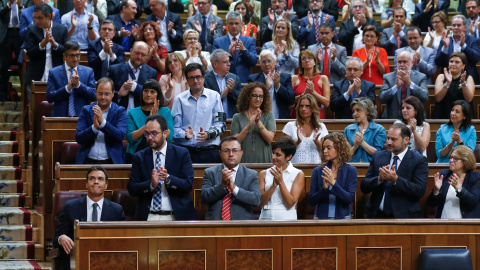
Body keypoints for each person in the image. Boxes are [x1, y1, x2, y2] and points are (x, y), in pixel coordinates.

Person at [53, 166, 126, 270]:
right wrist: (61, 238)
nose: (96, 182)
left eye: (100, 179)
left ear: (106, 185)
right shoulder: (70, 207)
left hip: (106, 260)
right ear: (86, 184)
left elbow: (123, 241)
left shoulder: (117, 210)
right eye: (92, 178)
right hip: (77, 260)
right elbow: (56, 239)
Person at [128, 114, 197, 221]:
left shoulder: (181, 153)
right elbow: (132, 188)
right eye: (147, 134)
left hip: (176, 216)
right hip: (148, 216)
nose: (150, 137)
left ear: (165, 134)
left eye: (154, 133)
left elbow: (188, 185)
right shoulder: (139, 157)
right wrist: (151, 185)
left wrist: (169, 179)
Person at [361, 123, 429, 218]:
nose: (388, 142)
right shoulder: (378, 156)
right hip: (377, 216)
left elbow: (419, 190)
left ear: (406, 140)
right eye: (388, 138)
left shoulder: (419, 160)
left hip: (405, 217)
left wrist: (396, 180)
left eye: (393, 139)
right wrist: (379, 179)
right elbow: (364, 186)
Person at [172, 63, 226, 163]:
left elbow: (221, 125)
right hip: (185, 150)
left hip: (210, 151)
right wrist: (184, 134)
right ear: (187, 80)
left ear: (203, 77)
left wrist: (208, 134)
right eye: (191, 78)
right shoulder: (179, 99)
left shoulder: (215, 96)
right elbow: (174, 128)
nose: (195, 81)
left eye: (198, 77)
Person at [201, 136, 261, 220]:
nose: (231, 154)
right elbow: (204, 198)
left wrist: (234, 189)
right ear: (220, 153)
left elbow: (256, 200)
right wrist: (222, 186)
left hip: (242, 223)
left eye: (235, 150)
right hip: (215, 223)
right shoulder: (210, 172)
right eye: (226, 151)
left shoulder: (251, 174)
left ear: (242, 153)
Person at [75, 77, 128, 164]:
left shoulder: (120, 111)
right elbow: (79, 138)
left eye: (107, 94)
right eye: (100, 93)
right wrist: (94, 128)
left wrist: (103, 123)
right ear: (95, 93)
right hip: (88, 160)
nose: (103, 97)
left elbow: (120, 135)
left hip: (111, 161)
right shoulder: (86, 110)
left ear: (113, 94)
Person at [309, 132, 357, 219]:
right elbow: (312, 201)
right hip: (321, 218)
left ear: (339, 149)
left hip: (343, 218)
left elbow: (349, 198)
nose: (324, 151)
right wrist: (324, 189)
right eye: (324, 148)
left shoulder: (351, 171)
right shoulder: (318, 171)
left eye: (329, 148)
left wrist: (334, 184)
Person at [126, 79, 173, 163]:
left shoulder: (165, 111)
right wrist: (149, 121)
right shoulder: (133, 112)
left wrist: (156, 118)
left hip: (161, 153)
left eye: (152, 92)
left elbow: (169, 137)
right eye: (146, 91)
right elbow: (131, 138)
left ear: (158, 95)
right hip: (137, 154)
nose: (148, 94)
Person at [258, 137, 305, 220]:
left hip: (287, 219)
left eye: (278, 155)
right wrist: (273, 186)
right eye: (273, 153)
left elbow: (290, 203)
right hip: (265, 218)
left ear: (289, 156)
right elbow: (260, 203)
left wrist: (281, 182)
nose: (273, 157)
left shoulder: (298, 174)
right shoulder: (264, 173)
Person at [46, 40, 96, 117]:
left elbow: (93, 95)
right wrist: (67, 88)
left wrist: (79, 85)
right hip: (60, 118)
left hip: (82, 117)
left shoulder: (88, 71)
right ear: (64, 56)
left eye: (78, 55)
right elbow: (50, 97)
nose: (75, 59)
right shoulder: (54, 72)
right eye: (72, 55)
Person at [428, 145, 480, 218]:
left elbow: (472, 202)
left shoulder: (476, 177)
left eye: (455, 158)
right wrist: (436, 190)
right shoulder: (444, 175)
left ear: (466, 160)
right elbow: (431, 203)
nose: (451, 160)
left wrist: (459, 188)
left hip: (466, 225)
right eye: (451, 157)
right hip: (442, 223)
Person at [231, 82, 276, 163]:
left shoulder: (268, 115)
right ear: (248, 97)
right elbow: (235, 142)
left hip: (264, 160)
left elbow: (269, 139)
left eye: (261, 96)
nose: (258, 99)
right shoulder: (237, 117)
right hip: (244, 160)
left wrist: (258, 123)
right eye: (254, 96)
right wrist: (248, 126)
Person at [24, 4, 68, 85]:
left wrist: (55, 44)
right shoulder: (32, 29)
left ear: (48, 16)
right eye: (35, 18)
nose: (37, 21)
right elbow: (30, 53)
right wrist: (44, 43)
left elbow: (67, 51)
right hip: (36, 74)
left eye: (40, 18)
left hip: (56, 73)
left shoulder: (62, 29)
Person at [108, 41, 158, 111]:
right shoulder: (114, 70)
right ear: (131, 51)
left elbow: (154, 96)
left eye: (143, 55)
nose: (139, 57)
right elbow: (106, 93)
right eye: (137, 53)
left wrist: (136, 88)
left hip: (141, 115)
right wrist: (118, 94)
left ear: (147, 56)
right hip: (118, 114)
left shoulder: (152, 73)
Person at [379, 50, 428, 119]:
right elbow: (381, 99)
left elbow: (425, 96)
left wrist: (410, 83)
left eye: (405, 62)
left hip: (415, 118)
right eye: (399, 62)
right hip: (392, 119)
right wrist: (396, 87)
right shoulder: (388, 77)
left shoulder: (421, 77)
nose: (401, 65)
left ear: (412, 62)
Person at [247, 49, 294, 119]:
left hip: (280, 119)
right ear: (260, 64)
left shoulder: (285, 77)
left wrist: (278, 86)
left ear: (275, 62)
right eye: (263, 62)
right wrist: (266, 88)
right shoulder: (253, 79)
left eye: (269, 61)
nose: (267, 64)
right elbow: (249, 101)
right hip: (260, 119)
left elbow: (291, 99)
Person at [212, 11, 257, 83]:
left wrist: (244, 51)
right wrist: (228, 54)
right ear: (226, 25)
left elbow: (254, 62)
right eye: (231, 23)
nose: (234, 26)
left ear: (242, 24)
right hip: (224, 81)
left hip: (245, 81)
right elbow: (215, 64)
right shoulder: (218, 42)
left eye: (236, 23)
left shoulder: (250, 41)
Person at [282, 94, 328, 163]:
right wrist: (298, 142)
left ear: (313, 108)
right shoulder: (290, 125)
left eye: (307, 106)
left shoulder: (321, 126)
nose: (303, 109)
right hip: (295, 168)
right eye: (301, 106)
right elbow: (284, 150)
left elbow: (327, 150)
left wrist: (317, 141)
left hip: (316, 167)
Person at [435, 15, 480, 84]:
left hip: (468, 79)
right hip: (448, 79)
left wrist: (464, 46)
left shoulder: (473, 41)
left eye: (459, 25)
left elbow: (476, 58)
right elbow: (438, 62)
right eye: (454, 25)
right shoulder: (445, 41)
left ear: (465, 28)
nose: (456, 28)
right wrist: (445, 48)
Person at [344, 97, 386, 163]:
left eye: (358, 110)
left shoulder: (379, 129)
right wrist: (355, 146)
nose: (355, 114)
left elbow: (378, 153)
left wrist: (362, 142)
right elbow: (344, 155)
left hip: (371, 166)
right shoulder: (348, 129)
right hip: (352, 165)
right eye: (353, 111)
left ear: (367, 111)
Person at [434, 52, 475, 119]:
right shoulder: (441, 77)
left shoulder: (468, 78)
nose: (453, 64)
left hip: (463, 115)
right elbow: (438, 98)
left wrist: (463, 84)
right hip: (444, 113)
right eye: (451, 61)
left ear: (463, 65)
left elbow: (469, 99)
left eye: (457, 62)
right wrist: (447, 83)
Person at [292, 49, 330, 119]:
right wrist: (303, 95)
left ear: (314, 62)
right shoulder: (294, 78)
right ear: (301, 64)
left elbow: (326, 103)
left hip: (316, 116)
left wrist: (313, 93)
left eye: (310, 58)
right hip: (298, 116)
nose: (307, 60)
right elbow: (290, 101)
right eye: (304, 59)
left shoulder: (323, 78)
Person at [204, 49, 242, 118]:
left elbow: (241, 99)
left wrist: (232, 91)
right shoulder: (206, 79)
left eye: (229, 61)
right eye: (225, 62)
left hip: (231, 119)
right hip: (212, 118)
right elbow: (205, 102)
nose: (229, 64)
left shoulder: (235, 78)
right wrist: (221, 96)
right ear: (215, 64)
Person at [0, 0, 22, 101]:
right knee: (3, 66)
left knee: (22, 64)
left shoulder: (26, 1)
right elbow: (1, 14)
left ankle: (25, 94)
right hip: (6, 35)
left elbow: (31, 13)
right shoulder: (3, 1)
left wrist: (20, 6)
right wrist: (9, 4)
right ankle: (3, 95)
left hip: (20, 34)